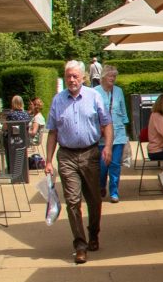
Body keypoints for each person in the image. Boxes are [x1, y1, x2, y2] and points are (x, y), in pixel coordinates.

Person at [43, 60, 113, 264]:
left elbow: (107, 124)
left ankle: (94, 233)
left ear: (83, 77)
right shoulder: (58, 100)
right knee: (73, 201)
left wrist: (107, 147)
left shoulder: (94, 96)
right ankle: (80, 245)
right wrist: (48, 160)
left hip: (90, 154)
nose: (71, 80)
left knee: (94, 199)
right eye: (68, 76)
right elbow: (52, 132)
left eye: (75, 76)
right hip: (66, 156)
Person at [98, 66, 130, 203]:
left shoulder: (119, 91)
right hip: (101, 136)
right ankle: (100, 185)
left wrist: (125, 130)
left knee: (115, 164)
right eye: (110, 76)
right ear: (103, 77)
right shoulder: (95, 92)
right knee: (103, 165)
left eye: (114, 76)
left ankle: (114, 192)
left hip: (118, 134)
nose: (112, 79)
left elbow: (123, 112)